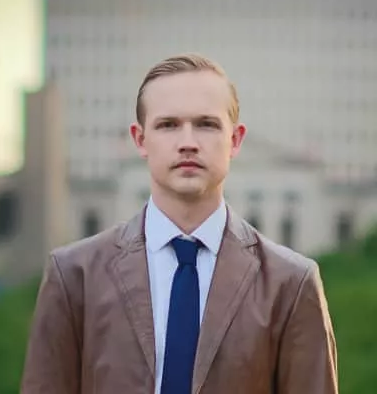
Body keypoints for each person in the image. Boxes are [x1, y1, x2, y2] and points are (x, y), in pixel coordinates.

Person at [21, 54, 338, 394]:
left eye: (206, 124)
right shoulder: (74, 276)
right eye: (168, 125)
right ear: (140, 139)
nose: (188, 142)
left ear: (235, 139)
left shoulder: (291, 283)